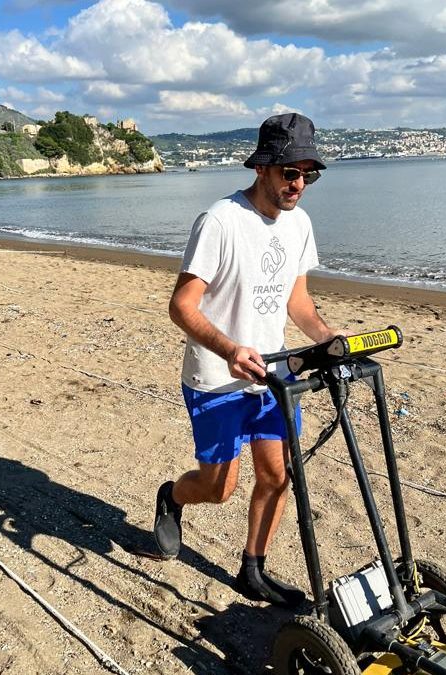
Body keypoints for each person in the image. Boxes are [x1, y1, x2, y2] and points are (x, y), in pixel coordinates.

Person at [154, 112, 337, 608]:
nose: (299, 184)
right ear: (261, 169)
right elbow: (181, 306)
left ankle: (251, 569)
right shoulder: (220, 221)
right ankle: (172, 497)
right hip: (216, 376)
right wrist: (230, 350)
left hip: (272, 376)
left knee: (278, 476)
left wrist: (327, 338)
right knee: (220, 488)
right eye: (289, 172)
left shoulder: (299, 224)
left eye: (307, 173)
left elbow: (295, 300)